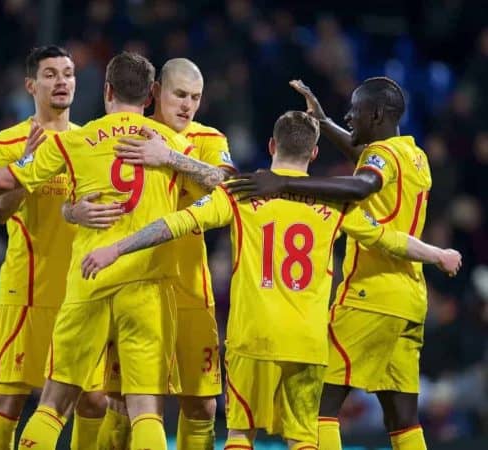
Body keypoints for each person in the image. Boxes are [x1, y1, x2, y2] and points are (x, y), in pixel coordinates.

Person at [79, 111, 461, 450]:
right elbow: (390, 238)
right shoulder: (338, 205)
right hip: (307, 343)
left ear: (271, 145)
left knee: (241, 435)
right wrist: (437, 254)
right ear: (313, 154)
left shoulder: (242, 193)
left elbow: (176, 223)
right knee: (304, 437)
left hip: (252, 337)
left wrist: (117, 248)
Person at [0, 51, 227, 450]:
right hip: (145, 286)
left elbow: (7, 180)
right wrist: (170, 160)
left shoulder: (76, 140)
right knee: (145, 409)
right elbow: (226, 191)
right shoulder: (172, 145)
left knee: (55, 404)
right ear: (150, 98)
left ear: (106, 90)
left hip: (88, 280)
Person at [228, 78, 436, 450]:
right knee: (401, 415)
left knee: (317, 404)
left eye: (354, 111)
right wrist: (322, 122)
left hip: (369, 294)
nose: (348, 117)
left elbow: (360, 187)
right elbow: (366, 158)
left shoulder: (381, 159)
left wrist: (285, 185)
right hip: (408, 297)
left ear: (375, 114)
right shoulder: (414, 156)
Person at [71, 58, 235, 450]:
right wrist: (72, 211)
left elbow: (233, 186)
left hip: (190, 288)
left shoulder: (209, 139)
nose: (187, 106)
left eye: (195, 98)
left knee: (203, 406)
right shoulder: (119, 135)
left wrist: (170, 158)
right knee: (117, 400)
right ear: (156, 91)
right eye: (179, 95)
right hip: (132, 284)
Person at [0, 45, 115, 450]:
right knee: (11, 399)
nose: (62, 82)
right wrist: (26, 164)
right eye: (51, 74)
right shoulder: (9, 140)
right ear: (31, 85)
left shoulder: (89, 141)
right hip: (29, 289)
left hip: (81, 292)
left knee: (93, 400)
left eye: (68, 73)